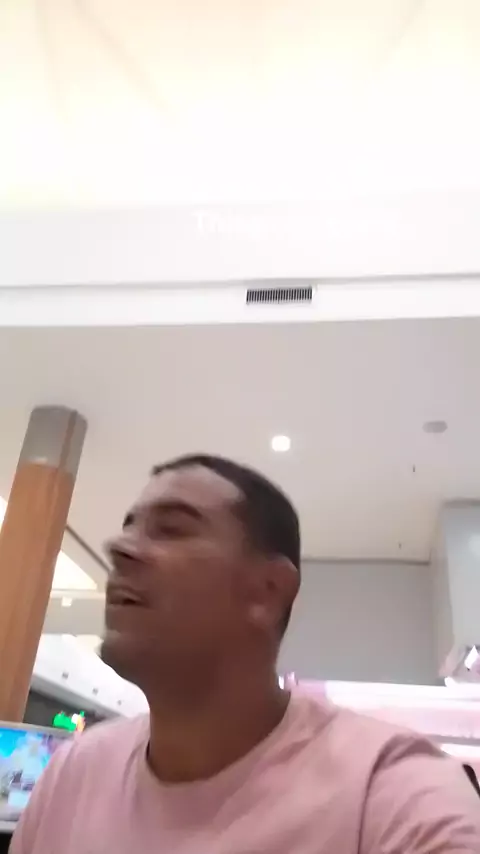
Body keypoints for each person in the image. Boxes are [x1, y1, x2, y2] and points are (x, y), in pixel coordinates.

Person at [11, 454, 480, 853]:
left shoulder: (390, 791)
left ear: (267, 592)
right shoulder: (72, 775)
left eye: (171, 529)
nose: (118, 547)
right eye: (128, 527)